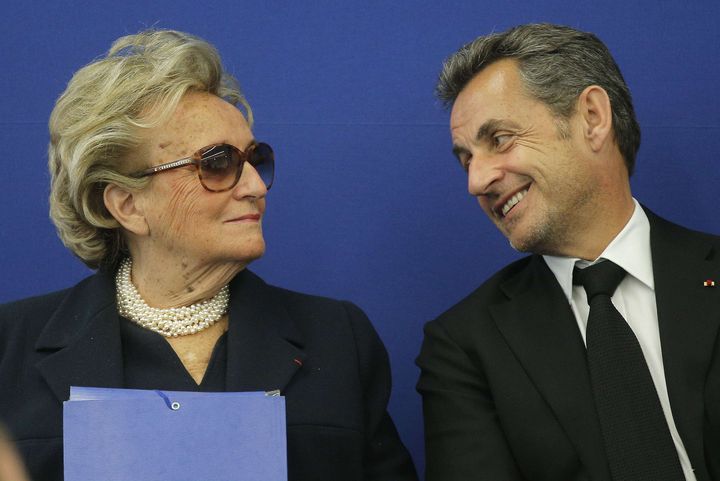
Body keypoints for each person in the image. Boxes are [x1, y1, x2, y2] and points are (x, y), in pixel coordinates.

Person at [0, 29, 418, 481]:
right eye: (218, 164)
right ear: (127, 205)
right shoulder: (10, 346)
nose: (256, 187)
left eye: (255, 160)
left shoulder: (338, 338)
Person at [416, 23, 720, 481]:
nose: (476, 182)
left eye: (498, 140)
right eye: (466, 160)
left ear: (592, 118)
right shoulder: (464, 346)